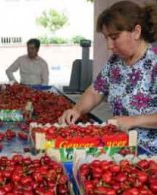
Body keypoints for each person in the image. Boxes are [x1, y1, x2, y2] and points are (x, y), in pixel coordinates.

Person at [59, 1, 157, 153]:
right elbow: (95, 91)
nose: (109, 46)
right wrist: (77, 109)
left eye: (114, 37)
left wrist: (134, 121)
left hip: (150, 154)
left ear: (136, 32)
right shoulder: (115, 63)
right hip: (119, 149)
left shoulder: (154, 63)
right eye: (106, 38)